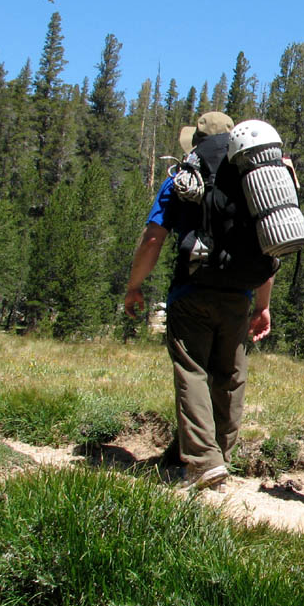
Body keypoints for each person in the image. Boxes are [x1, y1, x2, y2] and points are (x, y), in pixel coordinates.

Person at [124, 111, 277, 491]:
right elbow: (269, 247)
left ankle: (203, 463)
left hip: (192, 291)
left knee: (192, 371)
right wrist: (263, 305)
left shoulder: (181, 179)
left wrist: (134, 286)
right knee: (229, 377)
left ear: (197, 141)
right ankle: (218, 458)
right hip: (239, 295)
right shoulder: (255, 182)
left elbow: (153, 239)